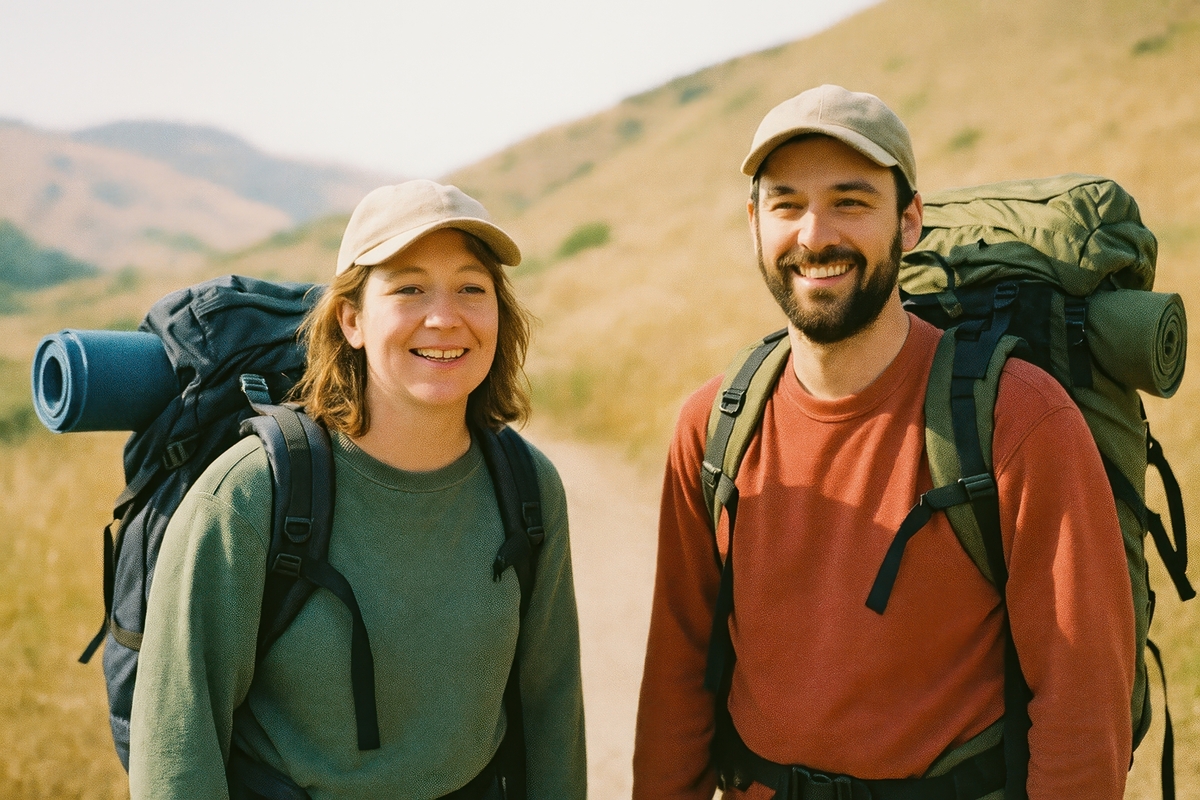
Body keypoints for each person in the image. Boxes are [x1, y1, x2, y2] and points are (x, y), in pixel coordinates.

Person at [631, 85, 1135, 799]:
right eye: (786, 204)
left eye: (851, 200)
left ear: (909, 221)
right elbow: (678, 682)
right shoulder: (712, 426)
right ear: (754, 223)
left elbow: (1083, 711)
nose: (814, 234)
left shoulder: (1017, 421)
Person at [128, 180, 587, 799]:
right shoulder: (249, 499)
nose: (444, 317)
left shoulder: (528, 488)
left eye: (472, 288)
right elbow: (177, 755)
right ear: (352, 320)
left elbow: (553, 709)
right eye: (408, 289)